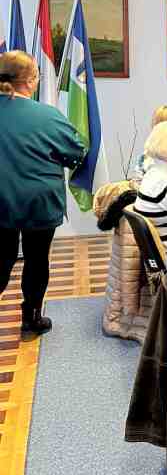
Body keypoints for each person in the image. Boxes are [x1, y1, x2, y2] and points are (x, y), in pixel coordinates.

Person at [0, 51, 86, 336]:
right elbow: (75, 153)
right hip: (38, 201)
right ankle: (32, 318)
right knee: (37, 259)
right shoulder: (47, 115)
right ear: (31, 80)